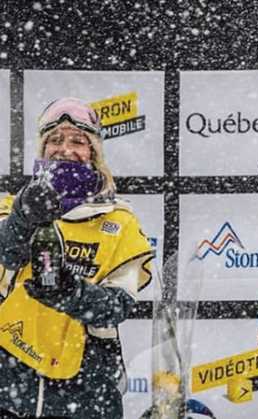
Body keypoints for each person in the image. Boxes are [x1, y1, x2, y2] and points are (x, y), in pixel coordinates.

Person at [0, 97, 154, 418]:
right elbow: (6, 254)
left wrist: (70, 293)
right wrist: (23, 218)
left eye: (77, 141)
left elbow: (117, 306)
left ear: (93, 153)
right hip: (11, 378)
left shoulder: (120, 221)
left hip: (87, 385)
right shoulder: (12, 206)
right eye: (54, 140)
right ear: (42, 150)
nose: (64, 148)